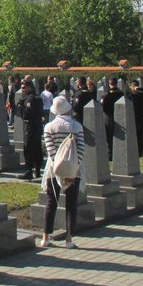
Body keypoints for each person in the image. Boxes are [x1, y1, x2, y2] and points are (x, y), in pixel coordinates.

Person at [38, 96, 85, 249]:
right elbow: (81, 150)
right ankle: (69, 239)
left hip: (53, 169)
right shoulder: (76, 127)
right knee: (71, 204)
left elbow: (50, 151)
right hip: (73, 170)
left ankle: (45, 237)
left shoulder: (48, 127)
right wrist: (72, 168)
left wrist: (58, 167)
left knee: (51, 202)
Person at [17, 80, 44, 180]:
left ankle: (29, 170)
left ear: (29, 87)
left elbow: (26, 113)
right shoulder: (38, 97)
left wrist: (21, 106)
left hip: (30, 125)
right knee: (37, 148)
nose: (22, 90)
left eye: (24, 88)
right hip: (37, 125)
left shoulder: (30, 99)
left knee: (28, 148)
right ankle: (37, 170)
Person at [101, 77, 123, 160]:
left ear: (109, 84)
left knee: (109, 136)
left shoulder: (106, 94)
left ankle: (110, 154)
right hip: (119, 116)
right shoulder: (121, 93)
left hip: (108, 116)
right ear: (116, 83)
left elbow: (102, 105)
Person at [127, 79, 143, 156]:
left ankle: (139, 151)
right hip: (142, 115)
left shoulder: (132, 95)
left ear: (132, 86)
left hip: (135, 116)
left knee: (137, 134)